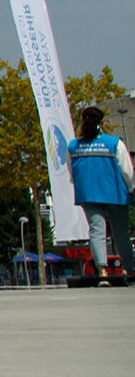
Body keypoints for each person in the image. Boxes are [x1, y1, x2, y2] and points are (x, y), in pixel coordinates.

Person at [68, 106, 134, 283]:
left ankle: (102, 272)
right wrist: (132, 187)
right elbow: (127, 171)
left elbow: (72, 173)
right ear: (101, 122)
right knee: (121, 233)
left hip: (89, 194)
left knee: (97, 231)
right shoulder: (114, 143)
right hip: (116, 194)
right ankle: (130, 270)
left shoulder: (73, 146)